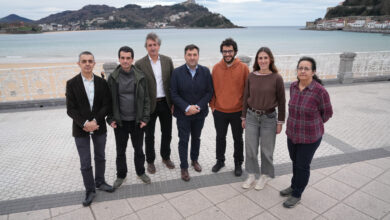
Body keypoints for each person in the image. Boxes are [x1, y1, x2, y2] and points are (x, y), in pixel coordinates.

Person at [281, 57, 333, 208]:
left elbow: (327, 113)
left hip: (310, 137)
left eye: (306, 68)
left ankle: (297, 194)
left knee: (303, 165)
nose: (302, 71)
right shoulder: (293, 87)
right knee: (295, 162)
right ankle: (293, 185)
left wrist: (313, 124)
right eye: (300, 68)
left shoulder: (320, 91)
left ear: (313, 72)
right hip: (292, 134)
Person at [66, 51, 114, 206]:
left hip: (99, 126)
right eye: (84, 61)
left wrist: (95, 121)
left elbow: (107, 104)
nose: (87, 63)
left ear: (94, 63)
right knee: (85, 162)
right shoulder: (71, 83)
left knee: (100, 156)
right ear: (78, 63)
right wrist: (86, 123)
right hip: (81, 129)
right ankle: (90, 190)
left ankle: (100, 182)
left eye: (90, 61)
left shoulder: (102, 83)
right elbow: (70, 109)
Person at [241, 47, 286, 190]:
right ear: (257, 60)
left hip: (269, 118)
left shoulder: (277, 78)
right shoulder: (251, 76)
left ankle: (265, 175)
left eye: (265, 58)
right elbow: (245, 98)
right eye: (260, 58)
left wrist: (280, 121)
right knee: (250, 148)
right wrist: (243, 117)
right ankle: (251, 175)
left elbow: (282, 101)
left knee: (267, 151)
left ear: (270, 59)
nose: (263, 61)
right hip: (251, 117)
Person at [106, 46, 151, 188]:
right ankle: (121, 175)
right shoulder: (113, 77)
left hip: (137, 122)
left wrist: (145, 118)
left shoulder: (140, 76)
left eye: (128, 58)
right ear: (119, 59)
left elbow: (146, 99)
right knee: (120, 151)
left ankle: (141, 172)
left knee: (139, 150)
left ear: (132, 59)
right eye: (122, 58)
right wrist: (110, 119)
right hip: (120, 123)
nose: (125, 61)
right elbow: (108, 101)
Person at [170, 44, 213, 181]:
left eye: (194, 54)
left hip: (200, 113)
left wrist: (198, 107)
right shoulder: (177, 73)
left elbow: (209, 92)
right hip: (183, 114)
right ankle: (184, 167)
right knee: (183, 140)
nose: (192, 57)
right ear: (185, 56)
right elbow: (174, 94)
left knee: (196, 138)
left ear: (198, 56)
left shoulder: (206, 72)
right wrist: (187, 107)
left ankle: (194, 160)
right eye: (189, 55)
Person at [135, 32, 175, 174]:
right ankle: (150, 161)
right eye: (150, 45)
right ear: (146, 47)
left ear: (159, 46)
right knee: (149, 135)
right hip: (149, 106)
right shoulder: (139, 64)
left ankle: (166, 157)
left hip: (165, 103)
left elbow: (172, 83)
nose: (152, 47)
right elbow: (138, 88)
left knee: (167, 133)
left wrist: (173, 102)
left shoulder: (167, 61)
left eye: (155, 45)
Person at [209, 38, 249, 176]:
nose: (227, 54)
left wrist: (245, 112)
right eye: (225, 51)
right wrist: (212, 106)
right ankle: (220, 161)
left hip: (237, 111)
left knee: (238, 139)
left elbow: (247, 91)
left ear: (235, 52)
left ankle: (238, 163)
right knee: (220, 137)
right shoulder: (215, 68)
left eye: (230, 51)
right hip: (219, 111)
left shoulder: (243, 68)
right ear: (221, 52)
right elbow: (211, 90)